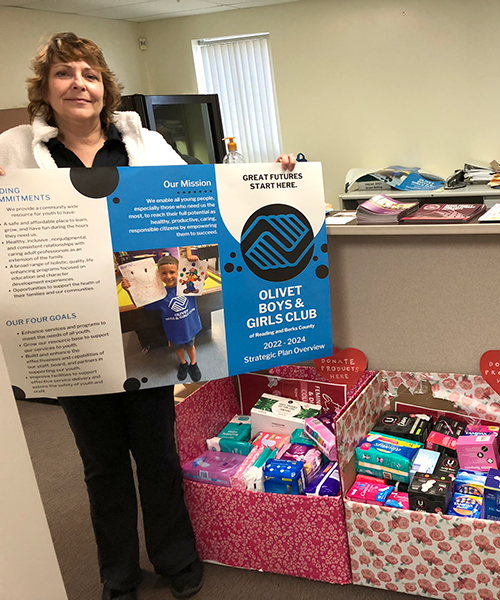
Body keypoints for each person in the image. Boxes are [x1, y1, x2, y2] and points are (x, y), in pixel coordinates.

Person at [0, 32, 296, 600]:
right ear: (46, 88)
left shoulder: (148, 145)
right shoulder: (16, 150)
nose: (78, 84)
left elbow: (204, 199)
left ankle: (176, 559)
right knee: (100, 463)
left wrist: (276, 175)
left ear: (105, 86)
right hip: (70, 328)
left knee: (156, 452)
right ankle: (118, 575)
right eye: (64, 73)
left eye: (88, 73)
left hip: (147, 305)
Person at [122, 254, 203, 382]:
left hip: (190, 327)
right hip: (174, 331)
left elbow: (202, 276)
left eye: (172, 272)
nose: (168, 276)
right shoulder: (158, 295)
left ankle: (193, 364)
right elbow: (140, 302)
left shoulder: (188, 285)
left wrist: (197, 262)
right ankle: (183, 363)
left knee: (191, 346)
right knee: (178, 348)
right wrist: (128, 290)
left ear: (179, 271)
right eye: (163, 273)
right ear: (158, 275)